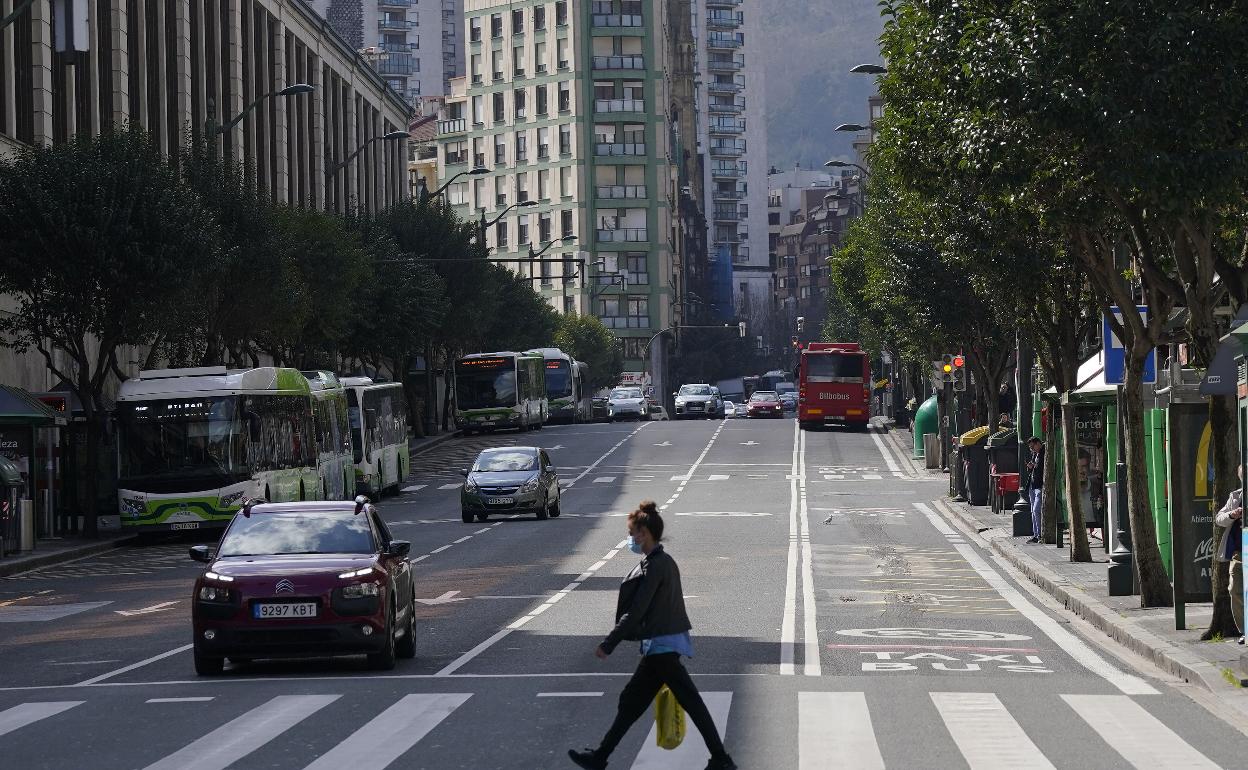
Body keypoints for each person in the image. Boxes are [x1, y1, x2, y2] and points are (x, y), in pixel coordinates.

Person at [569, 501, 735, 770]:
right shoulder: (662, 561)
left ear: (644, 533)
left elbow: (636, 611)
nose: (631, 538)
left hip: (662, 645)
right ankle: (600, 756)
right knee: (632, 702)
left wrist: (609, 643)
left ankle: (722, 760)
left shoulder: (655, 566)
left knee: (686, 702)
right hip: (660, 644)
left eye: (633, 532)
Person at [1214, 465, 1245, 643]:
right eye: (1243, 477)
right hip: (1239, 554)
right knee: (1235, 590)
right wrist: (1232, 514)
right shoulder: (1236, 496)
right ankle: (1245, 631)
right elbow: (1219, 519)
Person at [1024, 436, 1045, 544]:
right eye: (1030, 448)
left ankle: (1040, 534)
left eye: (1033, 447)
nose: (1032, 449)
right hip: (1032, 485)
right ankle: (1036, 535)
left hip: (1039, 485)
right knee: (1033, 511)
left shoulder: (1043, 452)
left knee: (1037, 510)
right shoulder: (1034, 454)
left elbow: (1041, 468)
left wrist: (1035, 466)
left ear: (1038, 444)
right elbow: (1031, 469)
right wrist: (1030, 466)